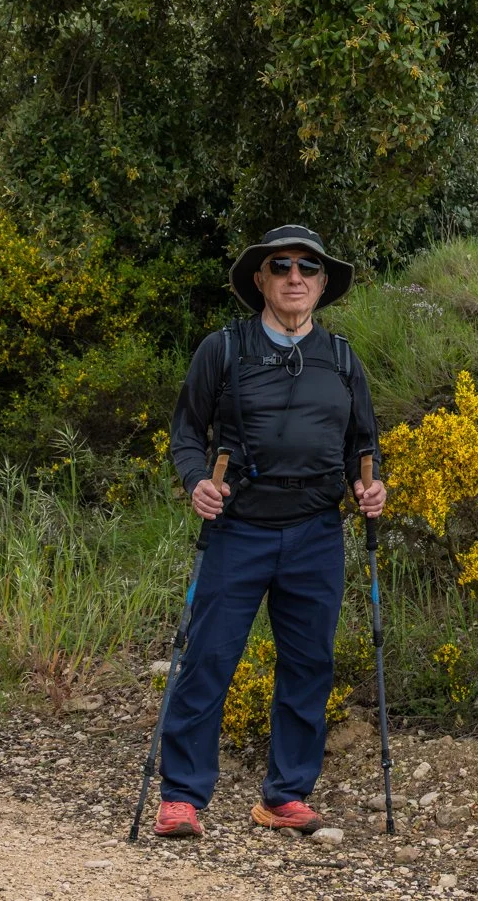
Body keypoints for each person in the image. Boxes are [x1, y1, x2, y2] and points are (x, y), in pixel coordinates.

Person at [153, 224, 387, 838]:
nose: (294, 277)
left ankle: (285, 796)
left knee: (309, 665)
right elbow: (186, 433)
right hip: (238, 528)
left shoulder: (343, 359)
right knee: (209, 658)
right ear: (260, 279)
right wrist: (196, 481)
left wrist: (371, 486)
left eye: (307, 268)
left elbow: (364, 445)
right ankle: (181, 796)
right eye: (280, 266)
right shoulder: (224, 349)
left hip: (316, 532)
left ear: (322, 283)